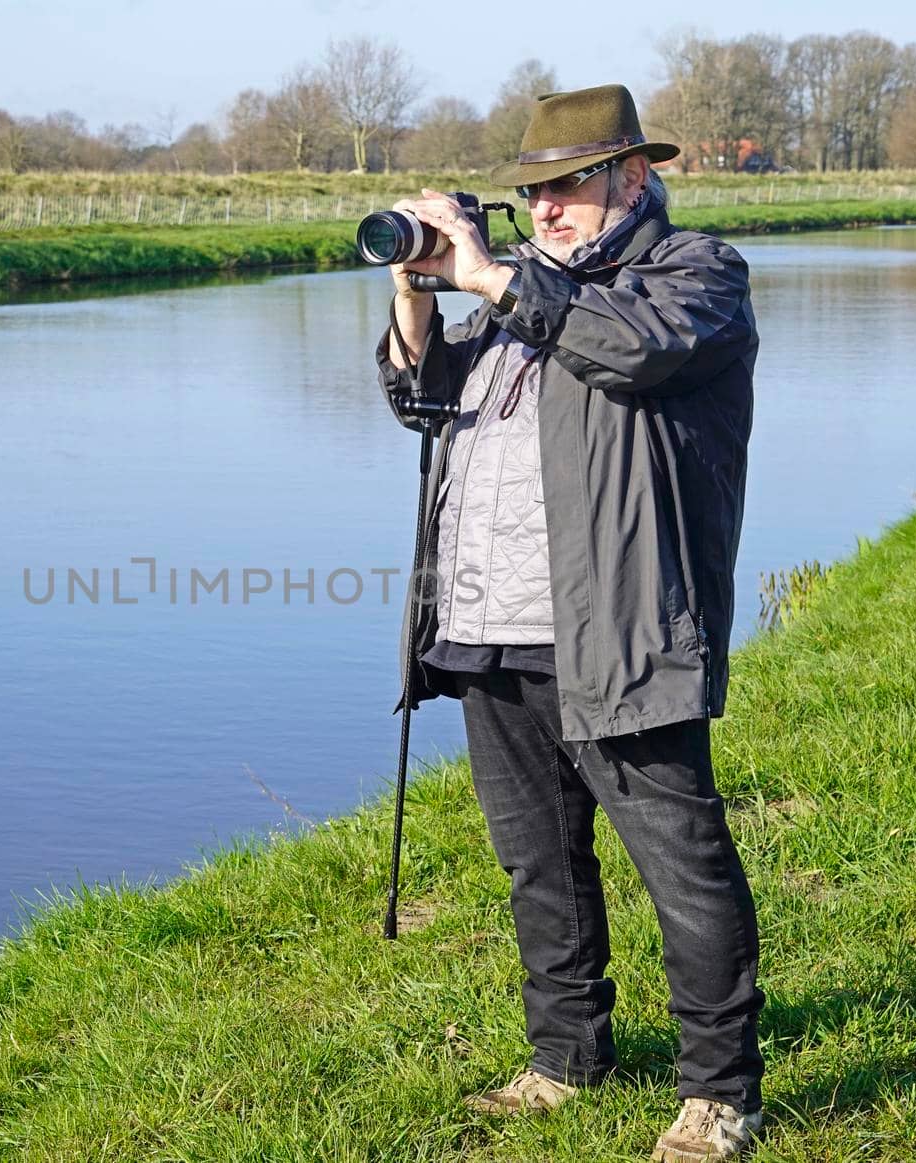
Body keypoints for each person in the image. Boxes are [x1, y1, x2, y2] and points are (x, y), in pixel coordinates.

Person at [376, 84, 763, 1163]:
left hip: (621, 631)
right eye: (531, 192)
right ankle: (565, 1056)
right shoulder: (523, 295)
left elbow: (627, 352)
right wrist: (418, 296)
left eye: (567, 185)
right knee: (536, 862)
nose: (544, 208)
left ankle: (718, 1091)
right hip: (490, 627)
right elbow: (421, 402)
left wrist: (494, 274)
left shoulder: (694, 277)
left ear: (634, 177)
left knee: (679, 862)